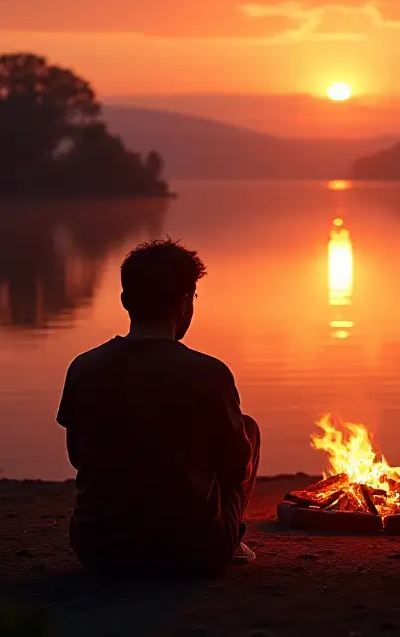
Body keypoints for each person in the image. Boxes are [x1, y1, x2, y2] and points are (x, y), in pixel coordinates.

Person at [56, 238, 260, 576]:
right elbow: (235, 469)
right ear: (183, 303)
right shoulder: (209, 373)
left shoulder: (83, 368)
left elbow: (78, 456)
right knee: (247, 428)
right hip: (192, 551)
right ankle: (230, 541)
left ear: (125, 301)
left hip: (98, 549)